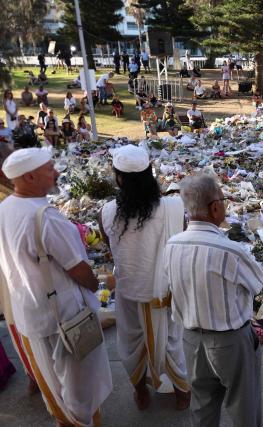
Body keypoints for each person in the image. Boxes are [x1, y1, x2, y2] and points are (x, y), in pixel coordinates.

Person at [0, 148, 112, 425]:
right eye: (50, 168)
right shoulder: (45, 217)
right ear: (29, 176)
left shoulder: (5, 208)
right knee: (80, 390)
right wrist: (97, 285)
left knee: (55, 384)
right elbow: (79, 269)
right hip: (64, 318)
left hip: (30, 313)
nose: (57, 172)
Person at [164, 174, 263, 427]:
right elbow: (257, 284)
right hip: (229, 341)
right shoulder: (230, 250)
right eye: (223, 199)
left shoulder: (172, 245)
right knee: (243, 406)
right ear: (215, 207)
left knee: (202, 406)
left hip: (191, 338)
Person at [98, 145, 190, 411]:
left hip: (129, 291)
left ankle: (140, 391)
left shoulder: (105, 212)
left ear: (119, 178)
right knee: (171, 343)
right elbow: (181, 243)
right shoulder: (174, 207)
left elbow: (111, 248)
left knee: (130, 343)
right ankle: (183, 392)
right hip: (162, 292)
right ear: (150, 173)